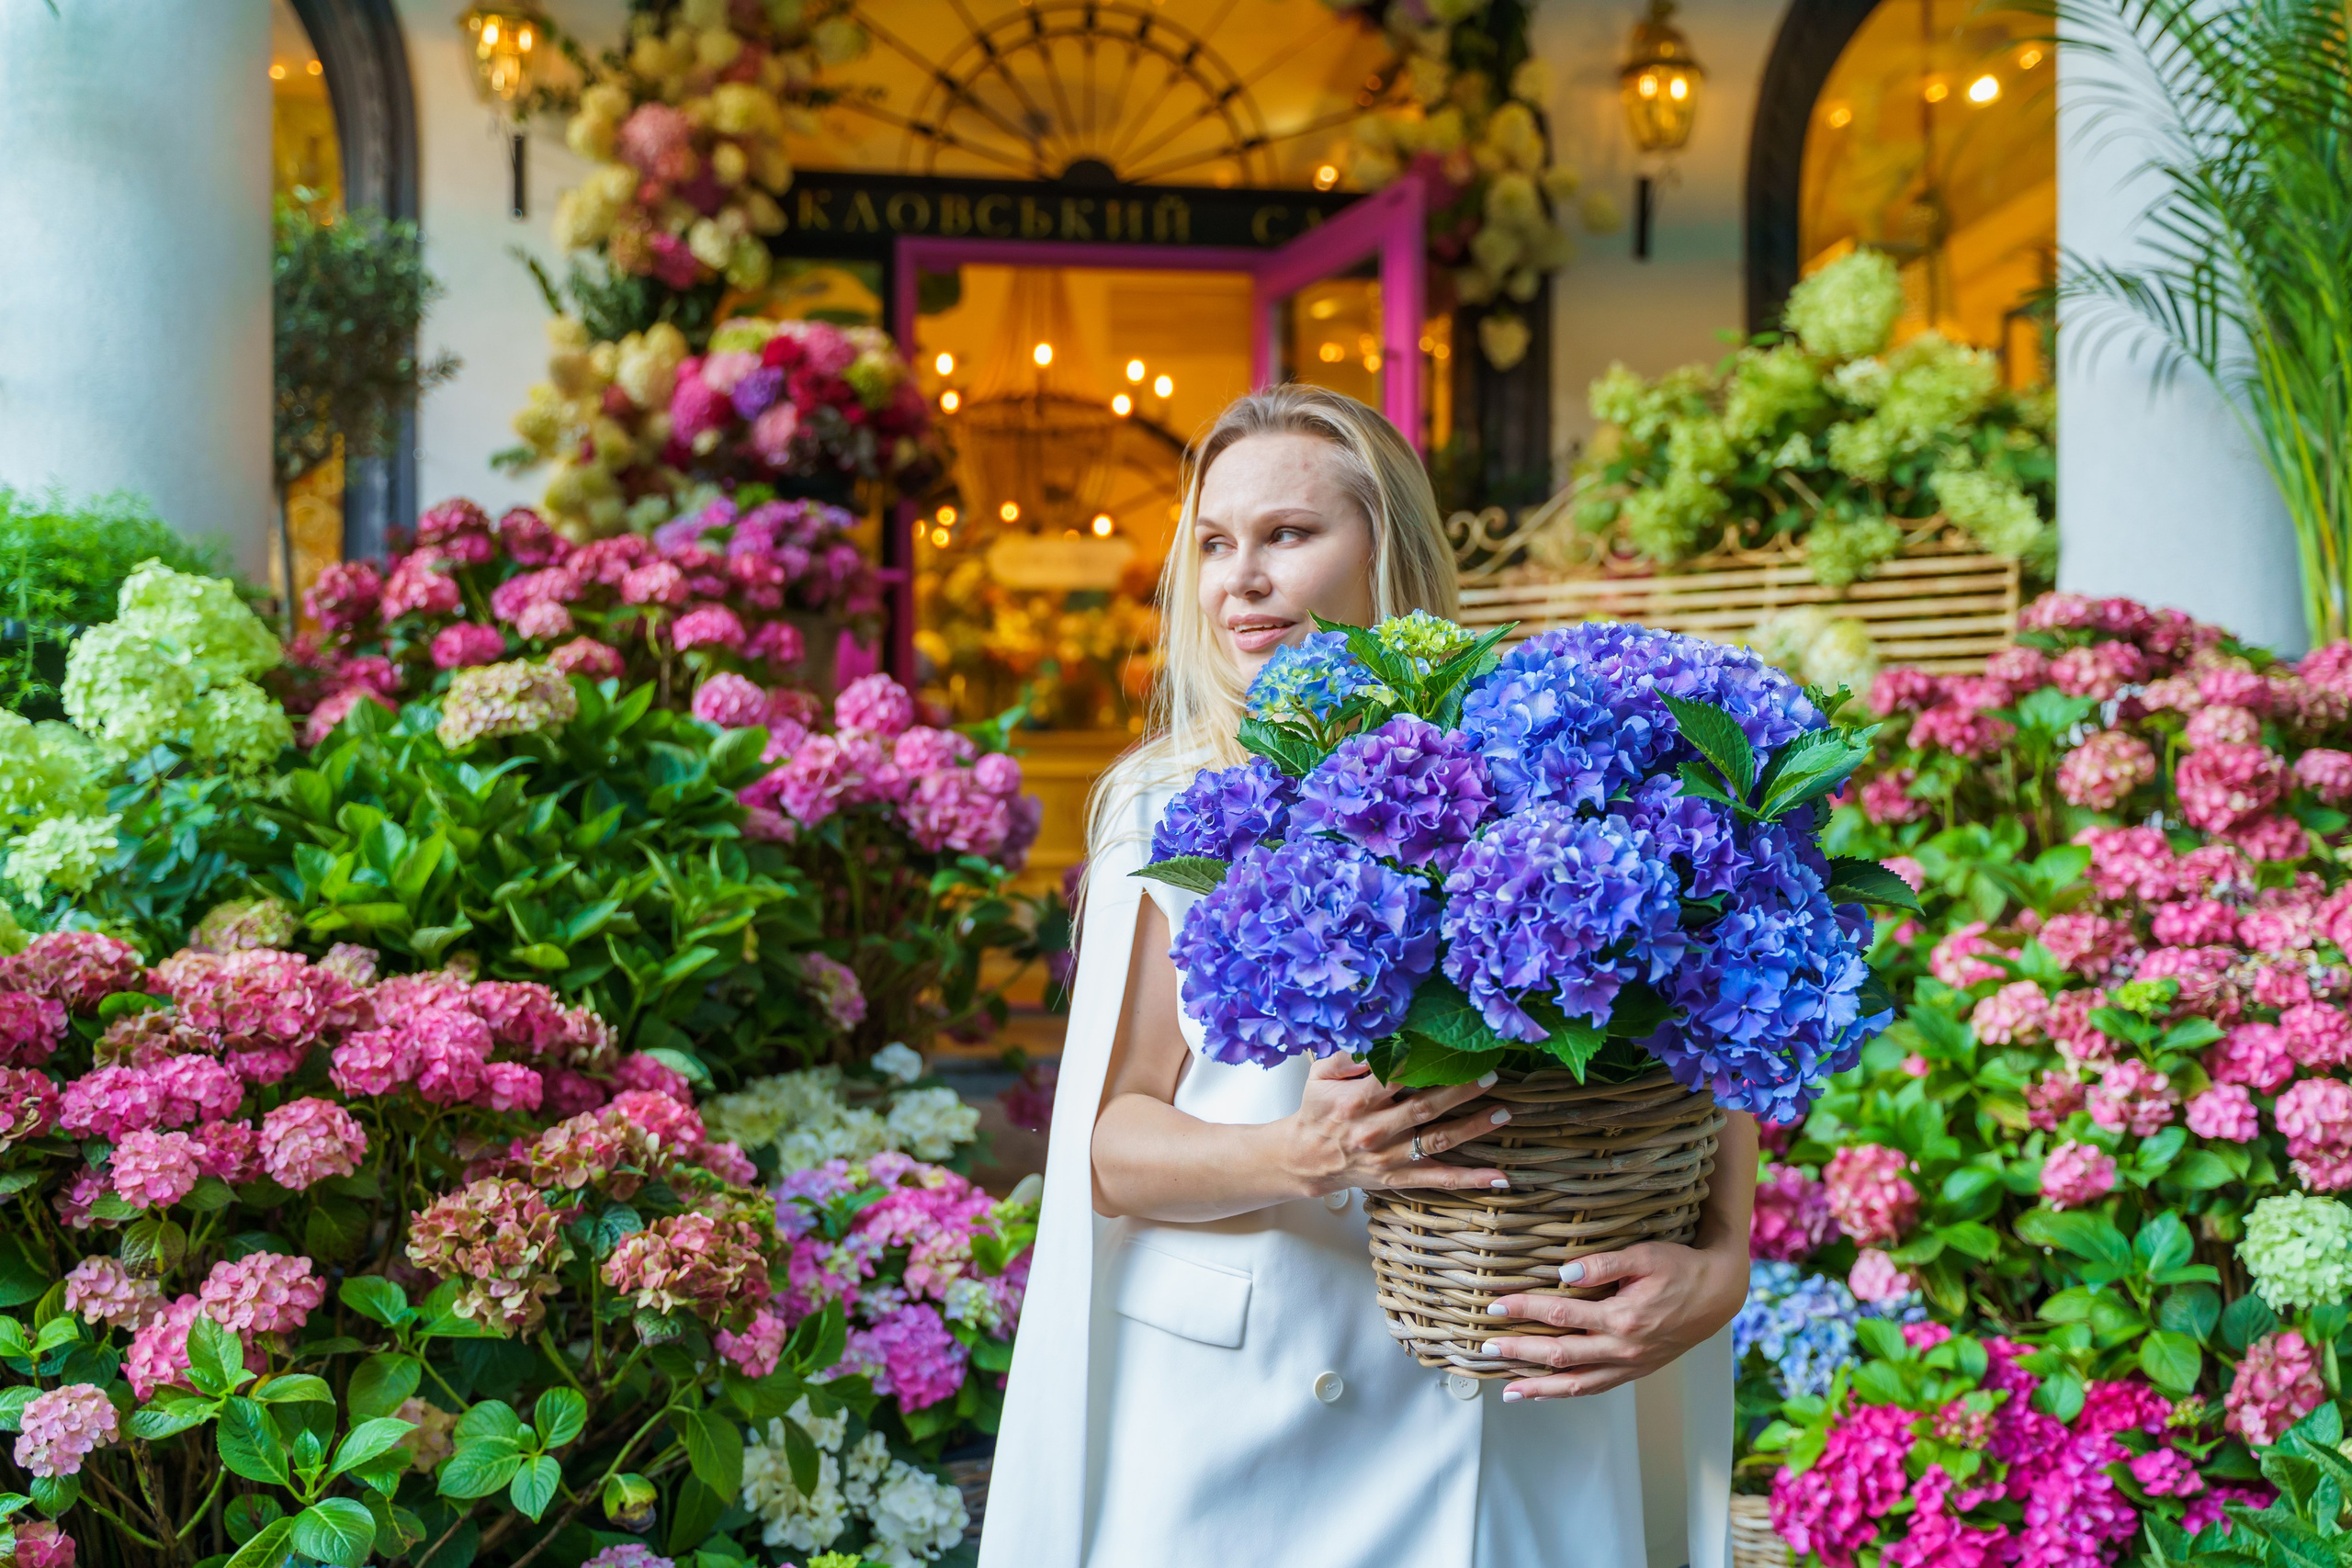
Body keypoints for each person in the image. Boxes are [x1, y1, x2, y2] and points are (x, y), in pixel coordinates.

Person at [981, 385, 1756, 1568]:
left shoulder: (1552, 774)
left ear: (1384, 548)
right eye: (1213, 543)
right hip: (1251, 1426)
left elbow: (1700, 1059)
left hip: (1511, 1402)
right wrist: (1300, 1153)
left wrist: (1719, 1274)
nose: (1240, 578)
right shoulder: (1168, 804)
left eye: (1287, 535)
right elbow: (1108, 1148)